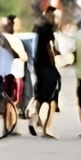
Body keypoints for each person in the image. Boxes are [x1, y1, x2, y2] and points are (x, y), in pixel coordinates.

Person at [28, 7, 62, 138]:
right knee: (51, 99)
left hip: (38, 66)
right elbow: (50, 48)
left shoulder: (37, 28)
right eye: (53, 16)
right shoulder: (48, 30)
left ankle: (34, 119)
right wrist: (54, 64)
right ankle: (46, 128)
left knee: (41, 95)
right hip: (47, 67)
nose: (54, 19)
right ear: (46, 14)